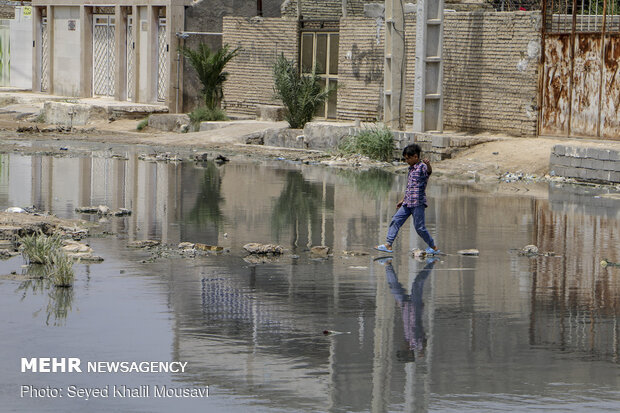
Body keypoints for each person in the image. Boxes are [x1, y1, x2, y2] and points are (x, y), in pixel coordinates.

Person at [375, 144, 440, 255]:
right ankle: (388, 244)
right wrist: (403, 199)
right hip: (407, 202)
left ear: (415, 157)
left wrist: (428, 165)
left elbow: (429, 172)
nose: (406, 161)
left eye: (407, 158)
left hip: (417, 203)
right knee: (396, 220)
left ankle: (433, 247)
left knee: (419, 227)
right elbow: (410, 186)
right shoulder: (411, 169)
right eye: (405, 158)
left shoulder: (422, 167)